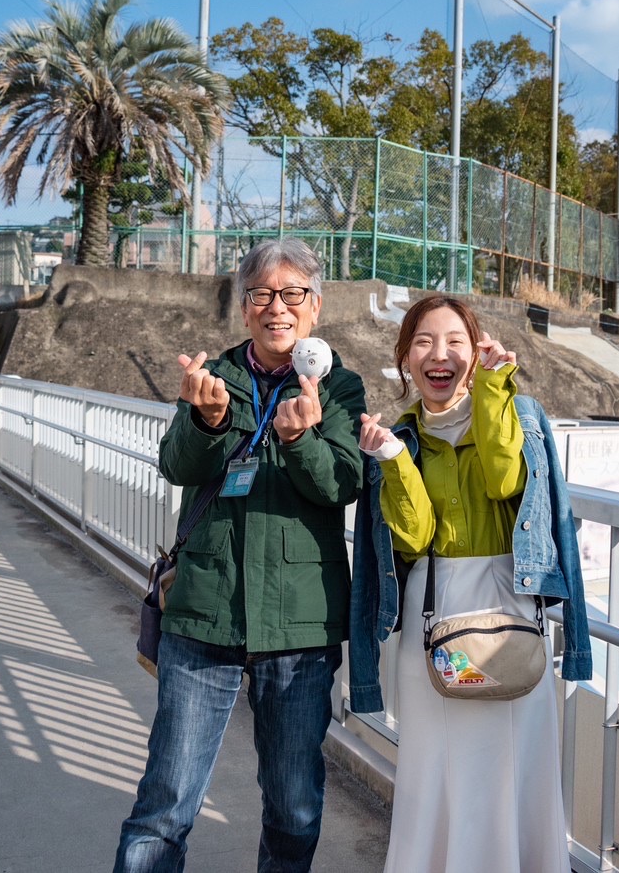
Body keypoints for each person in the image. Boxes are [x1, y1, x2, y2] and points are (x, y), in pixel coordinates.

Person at [114, 238, 367, 873]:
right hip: (205, 612)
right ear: (244, 306)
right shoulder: (215, 376)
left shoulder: (339, 387)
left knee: (293, 807)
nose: (276, 307)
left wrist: (303, 438)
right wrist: (204, 419)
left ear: (315, 307)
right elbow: (177, 466)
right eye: (261, 294)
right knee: (165, 803)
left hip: (298, 627)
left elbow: (341, 483)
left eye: (292, 294)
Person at [347, 295, 591, 872]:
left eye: (455, 341)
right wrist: (392, 460)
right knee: (434, 768)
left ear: (475, 352)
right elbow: (413, 537)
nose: (440, 354)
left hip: (509, 611)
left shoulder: (516, 411)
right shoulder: (399, 434)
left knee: (513, 767)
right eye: (424, 342)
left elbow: (506, 477)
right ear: (404, 357)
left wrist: (495, 387)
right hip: (433, 613)